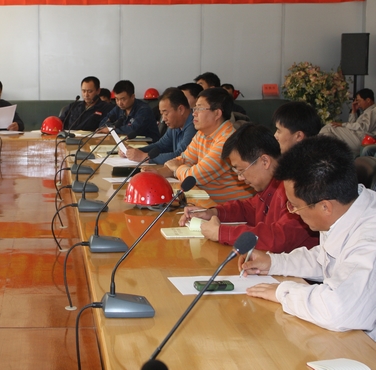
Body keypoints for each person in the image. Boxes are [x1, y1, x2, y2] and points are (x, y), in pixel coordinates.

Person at [240, 136, 376, 341]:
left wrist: (282, 292)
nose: (292, 212)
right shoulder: (346, 209)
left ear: (325, 207)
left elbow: (338, 309)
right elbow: (326, 259)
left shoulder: (370, 239)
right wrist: (273, 262)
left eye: (295, 205)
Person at [179, 124, 318, 252]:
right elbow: (248, 209)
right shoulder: (269, 186)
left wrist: (221, 233)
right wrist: (213, 213)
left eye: (241, 170)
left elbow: (280, 237)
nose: (240, 178)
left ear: (265, 161)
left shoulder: (296, 188)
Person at [156, 88, 253, 203]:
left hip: (234, 208)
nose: (194, 113)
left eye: (200, 108)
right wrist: (157, 174)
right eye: (195, 108)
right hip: (210, 202)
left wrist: (177, 168)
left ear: (217, 113)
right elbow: (184, 160)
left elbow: (193, 178)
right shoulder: (202, 134)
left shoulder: (227, 140)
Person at [121, 87, 196, 164]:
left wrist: (144, 157)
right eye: (162, 114)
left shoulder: (194, 126)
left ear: (181, 109)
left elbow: (181, 156)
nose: (163, 119)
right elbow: (161, 146)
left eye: (166, 113)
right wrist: (136, 151)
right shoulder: (176, 125)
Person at [320, 88, 376, 156]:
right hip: (357, 136)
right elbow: (352, 125)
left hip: (364, 138)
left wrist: (343, 125)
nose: (358, 104)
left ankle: (318, 151)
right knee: (328, 134)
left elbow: (364, 127)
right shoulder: (367, 111)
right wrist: (354, 111)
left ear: (368, 100)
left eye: (359, 101)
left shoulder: (374, 110)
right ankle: (328, 155)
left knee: (330, 127)